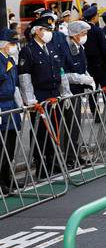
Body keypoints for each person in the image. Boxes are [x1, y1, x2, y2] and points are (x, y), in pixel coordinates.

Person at [18, 16, 72, 178]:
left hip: (54, 94)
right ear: (37, 31)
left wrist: (65, 92)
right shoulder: (28, 50)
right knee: (40, 132)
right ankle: (41, 166)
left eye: (51, 30)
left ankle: (53, 162)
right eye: (47, 30)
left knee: (54, 130)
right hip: (39, 96)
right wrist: (30, 99)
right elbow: (25, 77)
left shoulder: (52, 48)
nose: (49, 33)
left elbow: (60, 72)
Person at [62, 21, 96, 167]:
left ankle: (76, 155)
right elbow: (64, 74)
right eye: (83, 34)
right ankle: (70, 158)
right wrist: (81, 79)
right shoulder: (65, 49)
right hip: (69, 92)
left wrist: (88, 78)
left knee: (76, 126)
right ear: (75, 35)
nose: (85, 36)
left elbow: (83, 67)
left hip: (78, 91)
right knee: (70, 127)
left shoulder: (79, 47)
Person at [0, 28, 23, 196]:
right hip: (2, 106)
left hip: (12, 106)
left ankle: (8, 178)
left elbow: (14, 85)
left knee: (11, 144)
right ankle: (1, 181)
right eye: (12, 43)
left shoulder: (10, 60)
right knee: (2, 147)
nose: (14, 46)